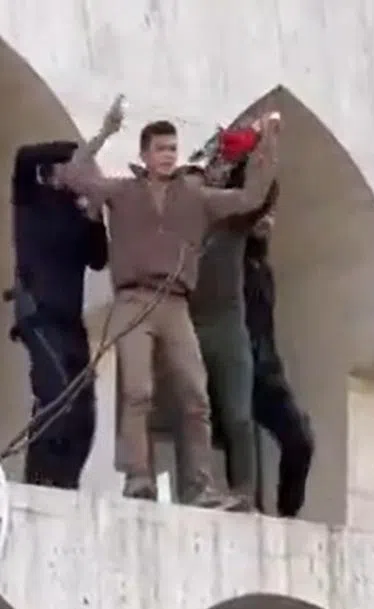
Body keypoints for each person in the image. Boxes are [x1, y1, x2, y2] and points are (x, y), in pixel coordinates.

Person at [56, 97, 280, 508]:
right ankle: (137, 478)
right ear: (144, 154)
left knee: (195, 393)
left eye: (172, 149)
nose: (167, 156)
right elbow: (72, 175)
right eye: (160, 149)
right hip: (133, 300)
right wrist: (105, 133)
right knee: (138, 390)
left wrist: (267, 146)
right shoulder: (122, 191)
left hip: (176, 303)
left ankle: (199, 486)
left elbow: (251, 197)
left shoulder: (195, 196)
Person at [179, 125, 279, 506]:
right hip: (186, 322)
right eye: (212, 166)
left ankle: (244, 494)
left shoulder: (233, 215)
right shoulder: (184, 214)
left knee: (239, 414)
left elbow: (263, 197)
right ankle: (195, 487)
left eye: (223, 166)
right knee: (190, 409)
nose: (216, 172)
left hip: (226, 325)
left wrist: (262, 147)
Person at [9, 140, 108, 489]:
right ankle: (38, 479)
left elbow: (99, 258)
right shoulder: (29, 199)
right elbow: (23, 156)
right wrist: (79, 149)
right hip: (38, 314)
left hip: (70, 321)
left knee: (84, 411)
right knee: (56, 395)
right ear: (54, 170)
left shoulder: (77, 212)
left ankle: (67, 482)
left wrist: (95, 214)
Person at [243, 208, 315, 518]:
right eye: (260, 215)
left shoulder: (263, 269)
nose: (267, 222)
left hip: (267, 370)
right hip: (232, 366)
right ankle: (245, 502)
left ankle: (288, 513)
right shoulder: (227, 261)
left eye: (271, 216)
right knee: (239, 437)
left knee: (300, 440)